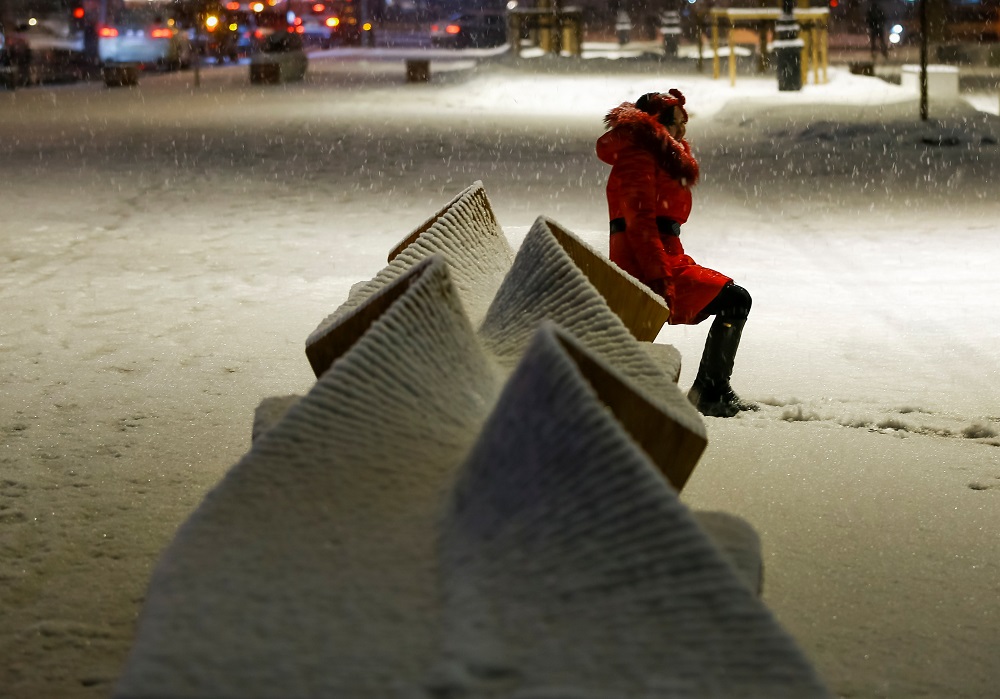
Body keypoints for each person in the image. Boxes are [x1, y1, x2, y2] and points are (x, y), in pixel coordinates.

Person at [595, 89, 758, 418]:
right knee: (735, 300)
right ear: (658, 125)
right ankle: (711, 392)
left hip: (665, 257)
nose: (684, 131)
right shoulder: (640, 155)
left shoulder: (653, 154)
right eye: (678, 123)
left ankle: (712, 389)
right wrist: (659, 275)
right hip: (644, 264)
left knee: (733, 299)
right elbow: (640, 224)